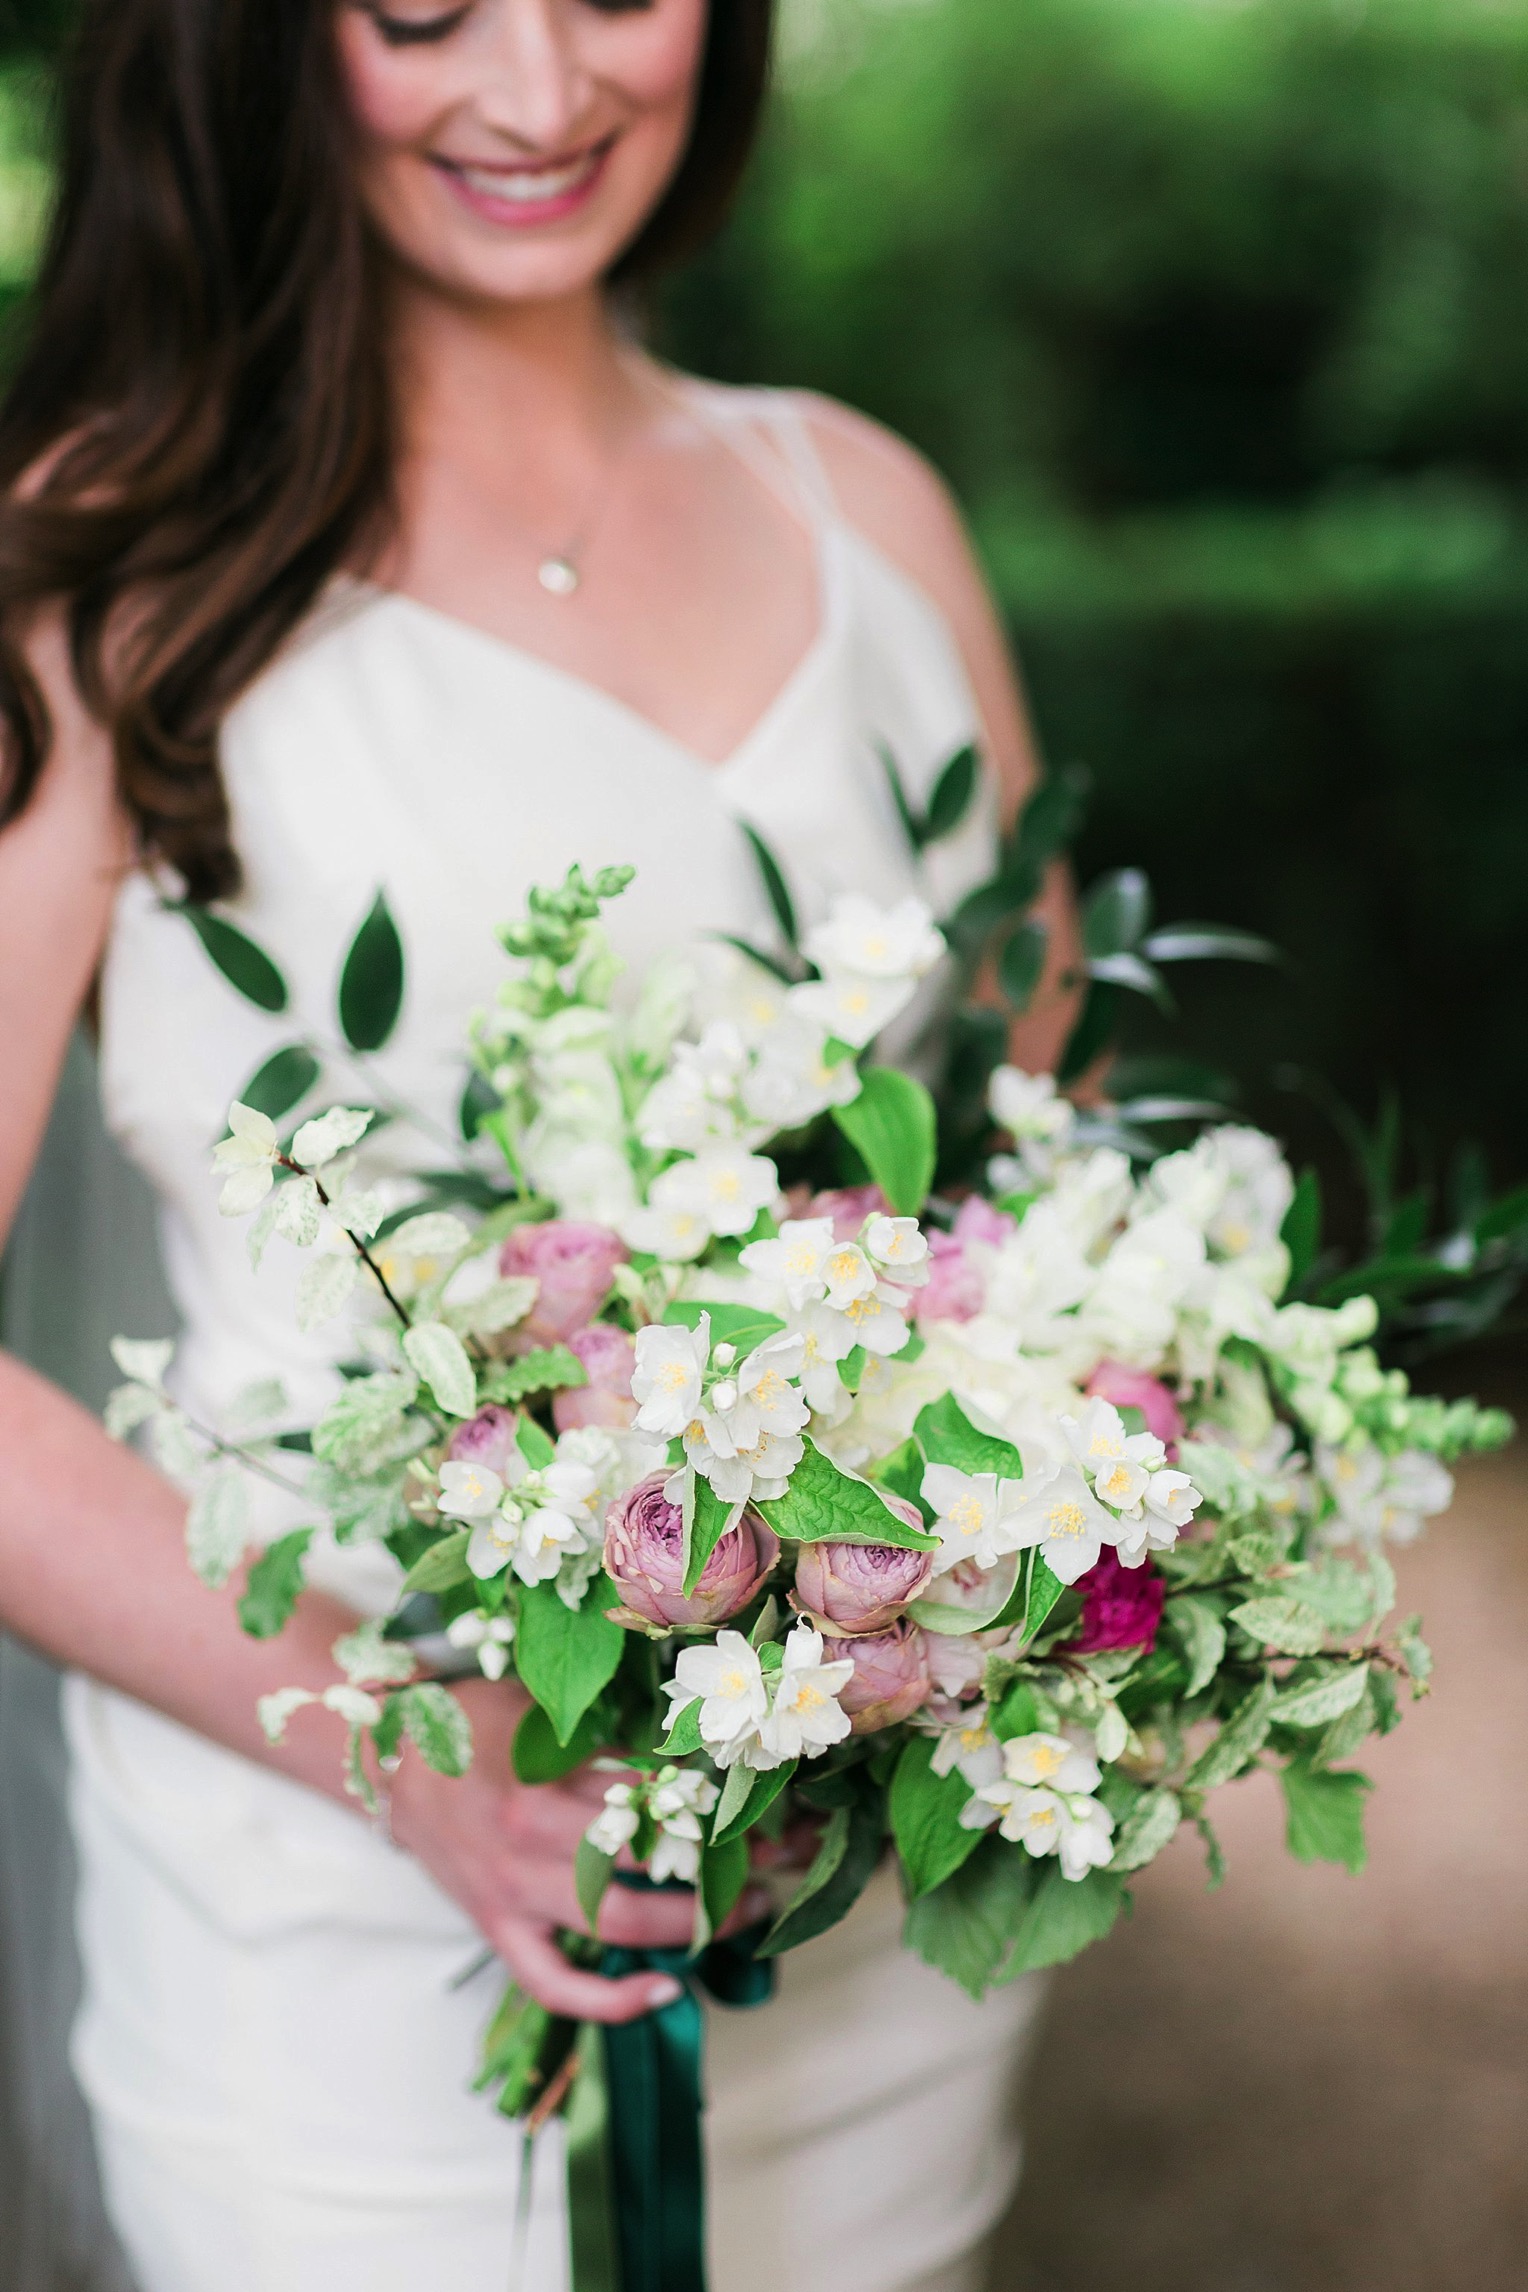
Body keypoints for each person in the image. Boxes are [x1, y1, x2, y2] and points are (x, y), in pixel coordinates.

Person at [0, 3, 1079, 2287]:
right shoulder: (98, 576)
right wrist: (436, 1765)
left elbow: (1050, 1179)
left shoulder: (864, 505)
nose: (540, 88)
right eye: (419, 10)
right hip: (341, 1960)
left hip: (859, 1903)